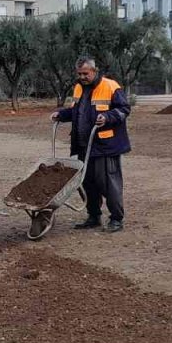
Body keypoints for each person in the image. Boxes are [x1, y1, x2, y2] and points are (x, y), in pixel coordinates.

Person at [51, 56, 131, 233]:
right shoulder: (79, 88)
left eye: (85, 73)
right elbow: (76, 111)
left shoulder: (110, 86)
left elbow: (125, 109)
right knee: (87, 184)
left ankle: (116, 219)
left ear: (94, 71)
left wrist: (108, 117)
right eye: (79, 74)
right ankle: (93, 216)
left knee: (109, 185)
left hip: (105, 147)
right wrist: (61, 115)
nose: (82, 77)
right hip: (83, 147)